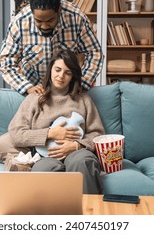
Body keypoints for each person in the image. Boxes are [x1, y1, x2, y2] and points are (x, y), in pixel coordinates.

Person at [8, 50, 105, 194]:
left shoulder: (84, 100)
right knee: (43, 171)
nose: (61, 76)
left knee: (83, 161)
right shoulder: (34, 99)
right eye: (57, 70)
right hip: (46, 157)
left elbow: (98, 134)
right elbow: (16, 134)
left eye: (68, 72)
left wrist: (77, 146)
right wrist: (50, 133)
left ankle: (87, 212)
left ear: (73, 76)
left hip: (78, 154)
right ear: (50, 70)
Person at [0, 0, 103, 96]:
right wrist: (26, 87)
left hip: (67, 90)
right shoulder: (19, 24)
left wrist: (83, 83)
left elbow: (94, 53)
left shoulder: (77, 19)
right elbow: (5, 61)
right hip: (33, 90)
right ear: (32, 13)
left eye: (50, 21)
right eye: (38, 21)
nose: (44, 26)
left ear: (59, 11)